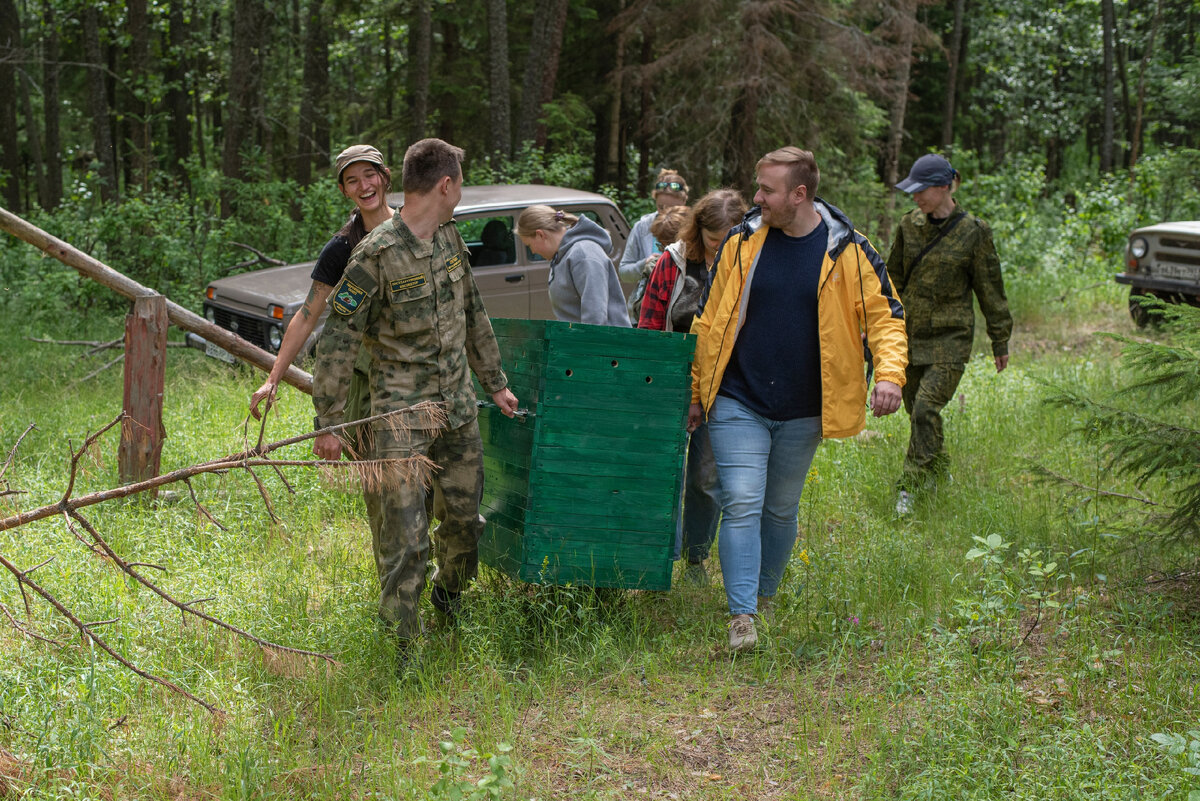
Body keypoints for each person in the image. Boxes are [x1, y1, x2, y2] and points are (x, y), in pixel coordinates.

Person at [688, 147, 908, 652]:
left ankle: (764, 598)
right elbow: (708, 319)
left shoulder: (848, 250)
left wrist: (889, 375)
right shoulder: (742, 242)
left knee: (781, 510)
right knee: (742, 500)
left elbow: (887, 317)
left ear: (799, 195)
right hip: (737, 396)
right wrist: (699, 390)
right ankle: (741, 617)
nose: (757, 197)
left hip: (806, 405)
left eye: (767, 190)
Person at [311, 138, 519, 667]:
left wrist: (494, 381)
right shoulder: (374, 254)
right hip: (399, 417)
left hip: (458, 408)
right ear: (445, 185)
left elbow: (473, 311)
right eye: (460, 183)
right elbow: (336, 342)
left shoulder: (451, 240)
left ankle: (448, 607)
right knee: (406, 540)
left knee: (465, 526)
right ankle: (404, 648)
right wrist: (328, 422)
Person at [888, 153, 1012, 515]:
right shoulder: (908, 226)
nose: (915, 198)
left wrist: (999, 338)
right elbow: (892, 279)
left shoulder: (975, 231)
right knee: (916, 413)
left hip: (951, 338)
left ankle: (908, 489)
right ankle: (938, 470)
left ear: (945, 186)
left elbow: (991, 288)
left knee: (926, 408)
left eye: (921, 190)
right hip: (910, 335)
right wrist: (879, 327)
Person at [638, 189, 748, 586]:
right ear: (698, 230)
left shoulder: (750, 261)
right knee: (665, 471)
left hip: (723, 383)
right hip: (672, 379)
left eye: (728, 241)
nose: (719, 250)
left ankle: (695, 560)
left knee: (705, 477)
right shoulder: (673, 261)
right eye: (713, 241)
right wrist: (653, 383)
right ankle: (659, 558)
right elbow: (650, 325)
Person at [249, 144, 393, 425]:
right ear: (344, 190)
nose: (364, 186)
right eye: (352, 180)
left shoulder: (412, 230)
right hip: (369, 381)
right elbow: (306, 316)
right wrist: (272, 379)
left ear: (385, 176)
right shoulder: (341, 249)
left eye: (369, 175)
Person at [515, 205, 630, 326]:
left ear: (540, 235)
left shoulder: (583, 254)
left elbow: (595, 317)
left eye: (529, 245)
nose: (532, 251)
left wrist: (580, 344)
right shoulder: (561, 257)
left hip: (603, 342)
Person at [617, 169, 689, 283]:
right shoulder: (642, 227)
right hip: (649, 297)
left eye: (673, 208)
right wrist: (644, 265)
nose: (666, 212)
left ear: (684, 201)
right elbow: (623, 272)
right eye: (661, 207)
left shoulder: (693, 228)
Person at [627, 204, 688, 325]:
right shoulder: (657, 266)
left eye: (663, 246)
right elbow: (641, 313)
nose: (662, 252)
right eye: (659, 246)